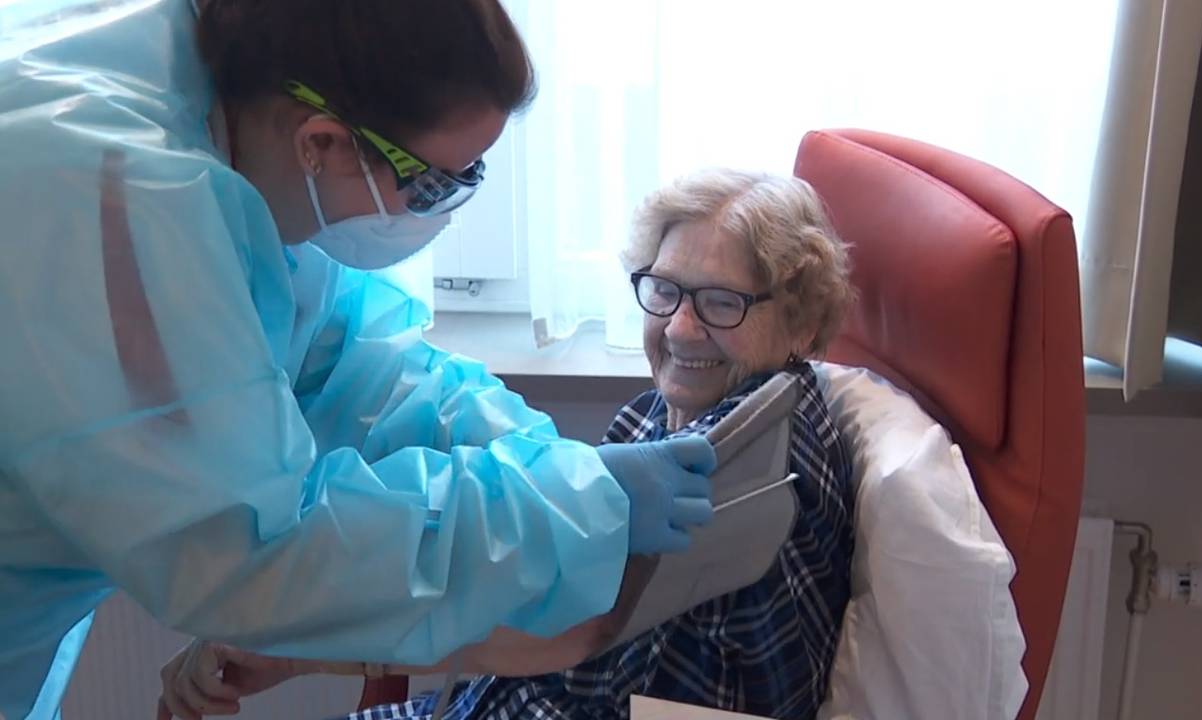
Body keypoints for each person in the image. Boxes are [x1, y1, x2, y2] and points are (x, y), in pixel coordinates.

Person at [0, 2, 717, 719]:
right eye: (437, 184)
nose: (439, 211)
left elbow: (347, 362)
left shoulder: (239, 120)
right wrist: (564, 508)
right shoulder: (112, 197)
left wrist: (544, 461)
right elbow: (256, 555)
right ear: (324, 142)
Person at [164, 169, 858, 720]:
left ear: (801, 323)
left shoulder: (755, 461)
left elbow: (575, 630)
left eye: (721, 303)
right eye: (666, 291)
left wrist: (298, 646)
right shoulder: (660, 418)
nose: (679, 329)